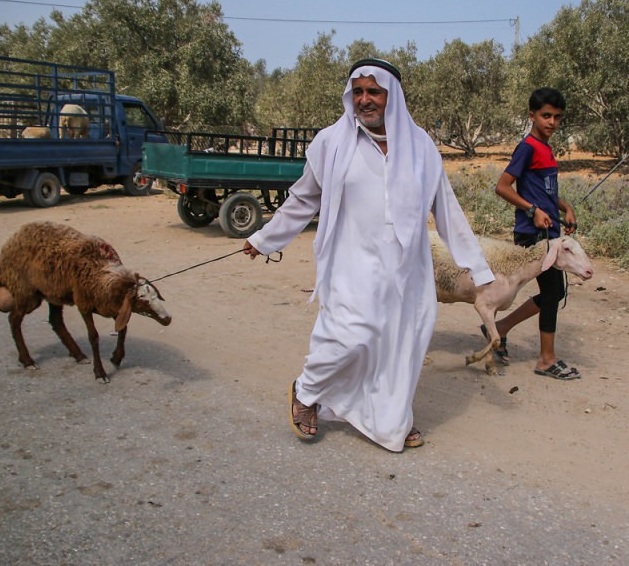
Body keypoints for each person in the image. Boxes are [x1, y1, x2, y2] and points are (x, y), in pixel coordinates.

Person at [242, 59, 495, 452]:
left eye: (373, 92)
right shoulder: (331, 142)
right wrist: (264, 238)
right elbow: (304, 197)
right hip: (351, 264)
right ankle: (306, 392)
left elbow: (446, 207)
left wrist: (476, 265)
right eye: (357, 92)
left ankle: (391, 421)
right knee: (348, 337)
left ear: (391, 97)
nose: (364, 100)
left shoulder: (421, 147)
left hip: (406, 269)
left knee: (400, 345)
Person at [484, 87, 581, 379]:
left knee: (554, 291)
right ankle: (546, 360)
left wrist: (565, 208)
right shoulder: (527, 147)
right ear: (532, 116)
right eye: (546, 116)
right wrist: (532, 212)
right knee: (552, 292)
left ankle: (500, 328)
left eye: (557, 117)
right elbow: (503, 187)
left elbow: (545, 191)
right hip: (533, 234)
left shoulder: (547, 149)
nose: (551, 122)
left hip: (550, 232)